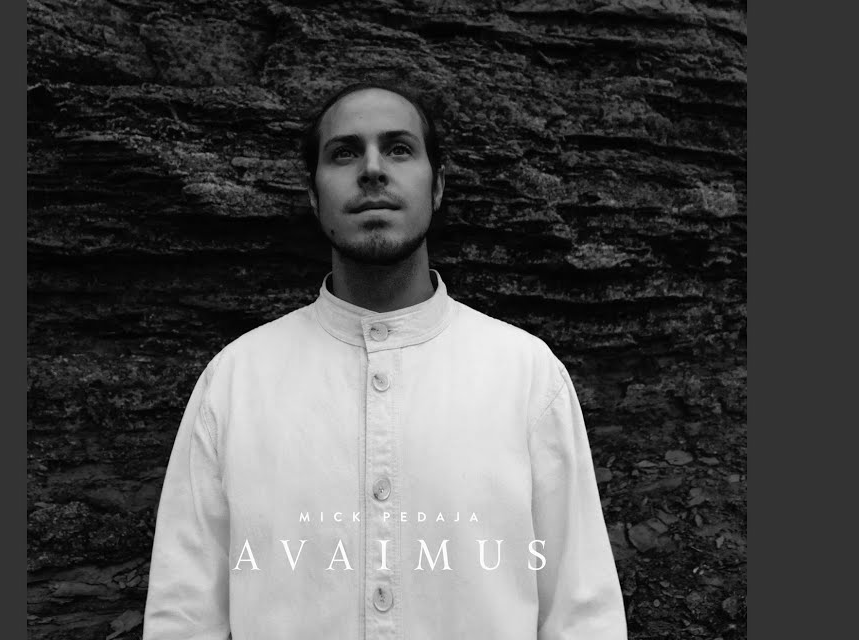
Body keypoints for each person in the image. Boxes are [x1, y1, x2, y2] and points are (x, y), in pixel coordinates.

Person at [142, 82, 627, 639]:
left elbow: (582, 614)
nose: (372, 170)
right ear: (312, 194)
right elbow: (184, 618)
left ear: (437, 185)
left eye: (399, 149)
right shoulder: (235, 382)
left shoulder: (526, 375)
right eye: (344, 152)